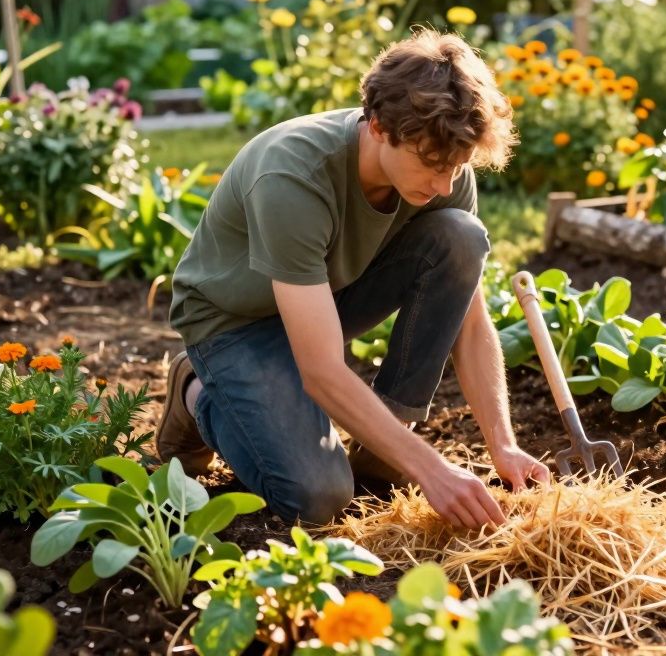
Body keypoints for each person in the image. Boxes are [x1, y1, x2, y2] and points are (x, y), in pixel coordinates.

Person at [155, 29, 550, 528]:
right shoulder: (293, 176)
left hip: (325, 300)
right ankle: (198, 391)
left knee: (460, 235)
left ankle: (385, 449)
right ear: (380, 126)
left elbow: (469, 324)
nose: (446, 184)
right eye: (432, 164)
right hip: (237, 322)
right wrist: (431, 469)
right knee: (318, 498)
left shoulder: (444, 166)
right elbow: (320, 369)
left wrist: (504, 446)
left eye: (458, 166)